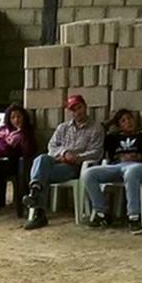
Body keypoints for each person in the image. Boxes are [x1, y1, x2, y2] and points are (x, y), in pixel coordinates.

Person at [24, 94, 106, 229]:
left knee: (42, 174)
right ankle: (36, 189)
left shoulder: (96, 128)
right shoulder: (63, 127)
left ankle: (37, 206)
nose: (77, 112)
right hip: (57, 161)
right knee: (41, 159)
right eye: (73, 110)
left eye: (79, 108)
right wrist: (64, 153)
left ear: (85, 107)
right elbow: (51, 146)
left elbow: (96, 152)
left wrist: (76, 157)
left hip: (75, 167)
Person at [85, 109, 142, 232]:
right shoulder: (113, 137)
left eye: (129, 118)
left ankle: (133, 217)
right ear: (118, 125)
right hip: (116, 166)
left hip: (137, 166)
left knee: (131, 173)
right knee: (89, 174)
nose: (128, 122)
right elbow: (100, 130)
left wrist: (139, 156)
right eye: (123, 121)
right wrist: (111, 122)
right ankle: (102, 213)